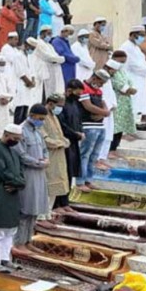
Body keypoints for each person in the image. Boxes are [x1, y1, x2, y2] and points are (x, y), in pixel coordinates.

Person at [0, 124, 26, 272]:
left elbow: (21, 172)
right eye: (14, 138)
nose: (16, 141)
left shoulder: (14, 151)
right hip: (1, 192)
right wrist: (18, 182)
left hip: (13, 193)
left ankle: (5, 258)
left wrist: (20, 184)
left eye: (18, 139)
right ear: (6, 134)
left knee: (10, 229)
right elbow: (2, 172)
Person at [13, 104, 49, 253]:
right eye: (40, 118)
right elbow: (21, 154)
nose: (41, 121)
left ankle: (28, 241)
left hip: (39, 175)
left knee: (34, 210)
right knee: (25, 210)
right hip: (28, 174)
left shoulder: (37, 132)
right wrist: (37, 162)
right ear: (32, 115)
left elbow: (45, 149)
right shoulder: (21, 131)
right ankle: (19, 242)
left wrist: (45, 159)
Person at [76, 71, 111, 192]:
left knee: (94, 155)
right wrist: (104, 113)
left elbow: (103, 104)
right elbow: (88, 106)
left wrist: (104, 112)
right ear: (95, 78)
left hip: (99, 126)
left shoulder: (98, 91)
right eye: (101, 82)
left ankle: (88, 180)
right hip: (88, 126)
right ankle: (80, 181)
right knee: (84, 155)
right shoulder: (83, 88)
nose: (101, 85)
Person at [42, 94, 70, 221]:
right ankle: (42, 216)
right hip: (48, 155)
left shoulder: (54, 116)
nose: (60, 109)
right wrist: (59, 143)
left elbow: (59, 135)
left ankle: (48, 214)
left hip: (58, 156)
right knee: (48, 185)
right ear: (50, 103)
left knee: (55, 186)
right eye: (59, 106)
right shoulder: (42, 117)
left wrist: (64, 141)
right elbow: (45, 139)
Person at [59, 80, 85, 208]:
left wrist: (80, 132)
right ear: (69, 90)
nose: (78, 96)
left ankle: (66, 202)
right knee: (64, 173)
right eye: (77, 93)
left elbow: (78, 121)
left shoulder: (75, 104)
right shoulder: (61, 105)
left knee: (70, 172)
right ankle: (60, 203)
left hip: (73, 143)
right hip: (64, 143)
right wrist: (75, 134)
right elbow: (62, 125)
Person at [108, 52, 136, 156]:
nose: (122, 64)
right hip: (116, 101)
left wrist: (130, 89)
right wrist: (128, 90)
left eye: (124, 62)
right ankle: (110, 149)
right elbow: (118, 85)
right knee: (115, 127)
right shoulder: (112, 71)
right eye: (120, 61)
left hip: (124, 102)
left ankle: (115, 148)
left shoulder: (122, 71)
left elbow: (129, 83)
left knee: (121, 127)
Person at [120, 25, 146, 119]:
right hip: (132, 78)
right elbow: (134, 65)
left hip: (140, 78)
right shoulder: (126, 47)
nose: (143, 38)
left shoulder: (136, 47)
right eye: (141, 35)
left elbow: (143, 61)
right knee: (134, 104)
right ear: (133, 35)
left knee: (140, 103)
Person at [14, 38, 41, 124]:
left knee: (26, 108)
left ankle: (23, 126)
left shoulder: (29, 57)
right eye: (31, 48)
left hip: (28, 87)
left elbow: (32, 70)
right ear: (26, 45)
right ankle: (17, 126)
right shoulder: (18, 56)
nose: (32, 50)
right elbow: (20, 72)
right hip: (21, 85)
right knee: (19, 107)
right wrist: (28, 82)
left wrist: (33, 81)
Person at [36, 25, 65, 96]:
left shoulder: (49, 45)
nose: (50, 35)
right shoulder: (39, 43)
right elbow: (48, 57)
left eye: (51, 33)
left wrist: (58, 59)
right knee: (49, 92)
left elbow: (58, 57)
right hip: (47, 69)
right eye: (48, 33)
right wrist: (58, 59)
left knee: (57, 90)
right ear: (42, 34)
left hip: (55, 70)